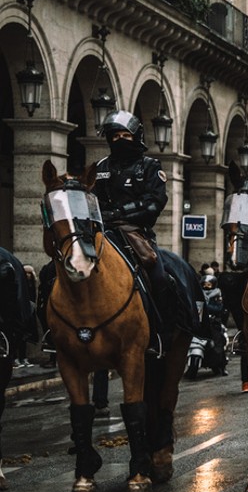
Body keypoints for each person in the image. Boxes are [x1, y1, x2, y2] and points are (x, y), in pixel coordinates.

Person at [42, 111, 179, 357]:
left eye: (126, 135)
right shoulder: (101, 167)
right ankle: (50, 332)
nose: (120, 139)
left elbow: (153, 203)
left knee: (158, 273)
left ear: (137, 137)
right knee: (51, 271)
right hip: (101, 230)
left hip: (135, 233)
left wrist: (120, 212)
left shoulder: (150, 166)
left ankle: (160, 331)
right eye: (115, 136)